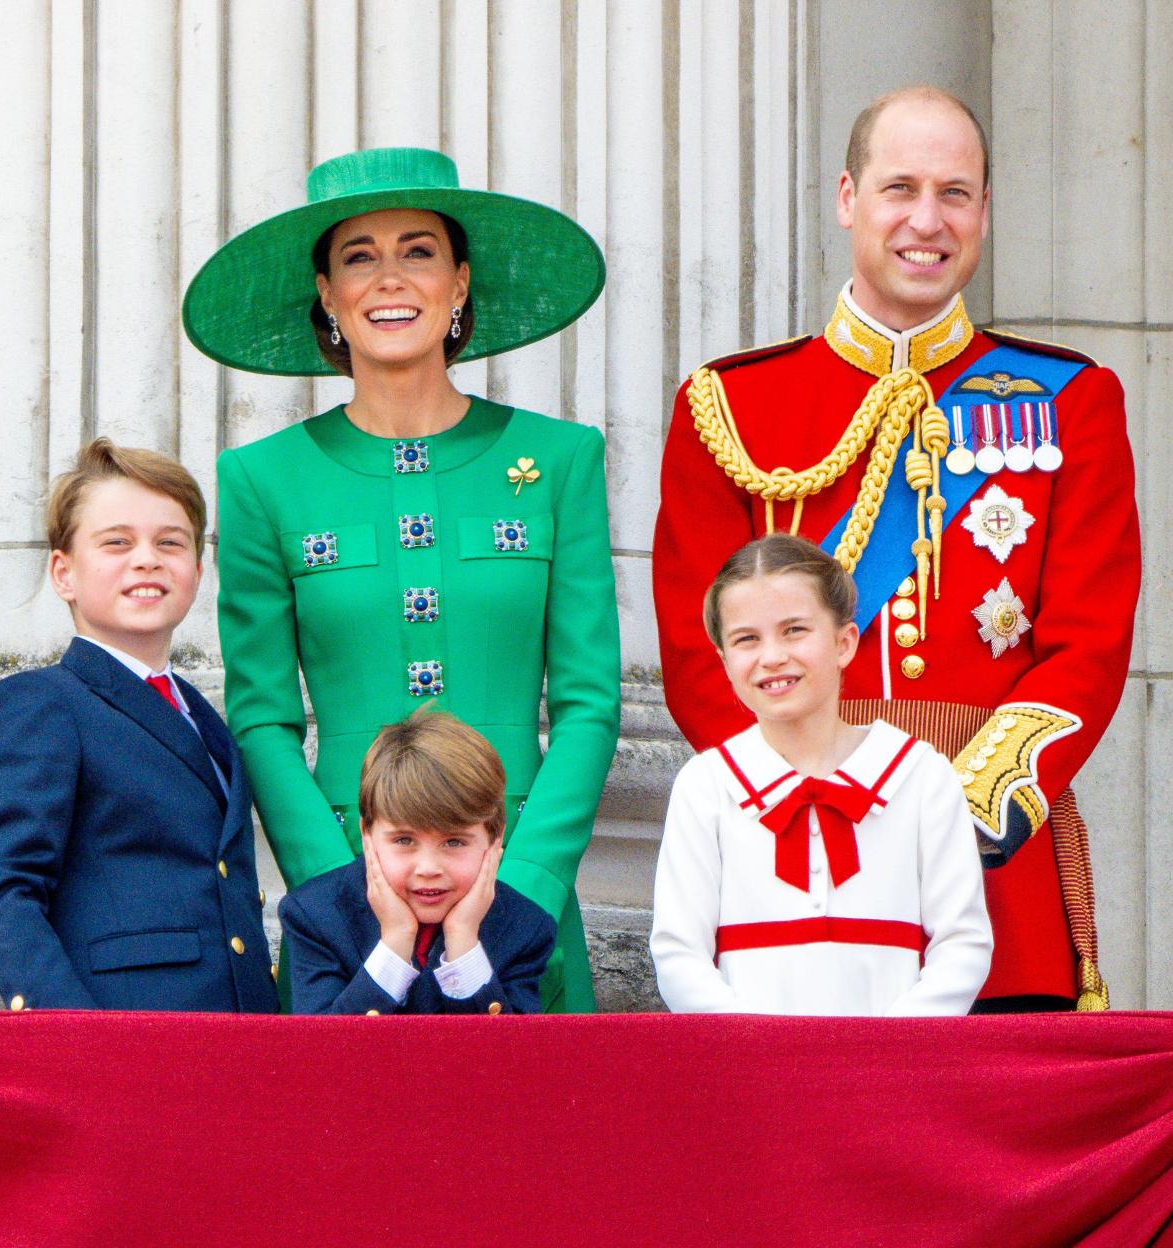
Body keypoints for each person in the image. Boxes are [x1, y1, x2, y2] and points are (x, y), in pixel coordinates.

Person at [652, 85, 1139, 1011]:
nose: (928, 220)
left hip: (994, 866)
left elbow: (1089, 644)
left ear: (986, 211)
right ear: (847, 199)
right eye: (899, 188)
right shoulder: (730, 407)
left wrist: (968, 805)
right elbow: (695, 644)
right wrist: (801, 793)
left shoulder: (1070, 400)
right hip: (788, 862)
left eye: (956, 193)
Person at [182, 147, 620, 1012]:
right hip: (348, 898)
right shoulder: (261, 478)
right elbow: (263, 716)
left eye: (418, 250)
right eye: (359, 256)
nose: (391, 278)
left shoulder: (562, 459)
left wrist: (525, 879)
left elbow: (589, 701)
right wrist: (342, 891)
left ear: (460, 282)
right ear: (327, 292)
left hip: (516, 872)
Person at [0, 440, 278, 1013]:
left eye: (170, 542)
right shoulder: (41, 702)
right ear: (64, 572)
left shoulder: (202, 718)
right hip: (123, 1032)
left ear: (198, 571)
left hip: (234, 1034)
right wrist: (76, 1036)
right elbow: (3, 888)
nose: (147, 558)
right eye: (117, 543)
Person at [650, 535, 992, 1015]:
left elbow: (963, 942)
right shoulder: (706, 786)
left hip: (895, 1071)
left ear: (844, 643)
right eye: (747, 639)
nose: (772, 656)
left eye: (794, 630)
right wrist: (757, 1050)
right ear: (725, 662)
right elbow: (677, 952)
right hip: (753, 1072)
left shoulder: (921, 776)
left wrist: (892, 1050)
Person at [280, 710, 555, 1015]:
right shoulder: (315, 915)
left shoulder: (525, 927)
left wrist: (463, 941)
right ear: (367, 834)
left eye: (454, 842)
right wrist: (395, 943)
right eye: (404, 841)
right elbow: (321, 1055)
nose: (428, 868)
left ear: (494, 839)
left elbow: (512, 1058)